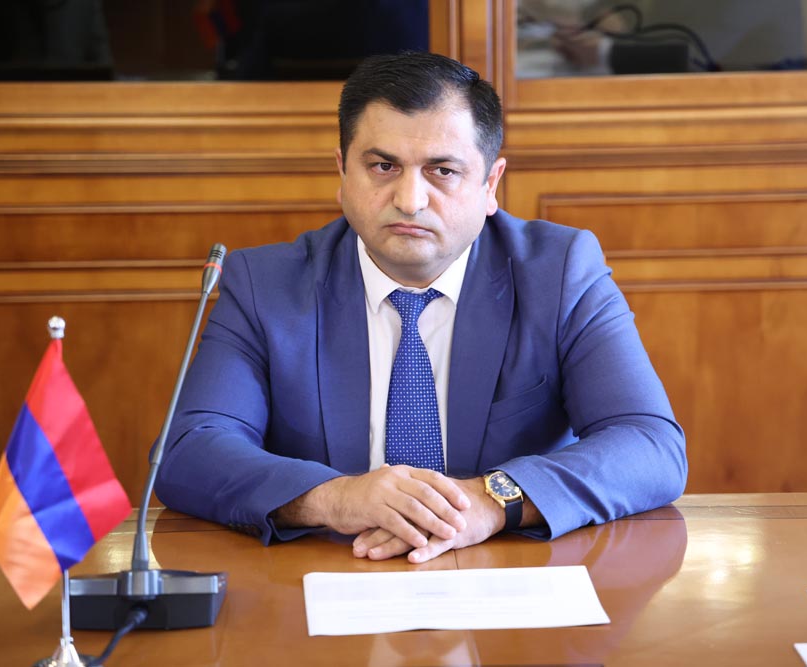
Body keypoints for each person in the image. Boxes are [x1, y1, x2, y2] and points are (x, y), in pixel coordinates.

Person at [154, 51, 686, 564]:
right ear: (343, 173)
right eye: (383, 166)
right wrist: (335, 498)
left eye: (443, 171)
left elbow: (649, 444)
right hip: (331, 571)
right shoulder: (266, 285)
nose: (410, 200)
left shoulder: (560, 272)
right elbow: (190, 450)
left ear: (490, 184)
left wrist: (491, 500)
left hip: (510, 573)